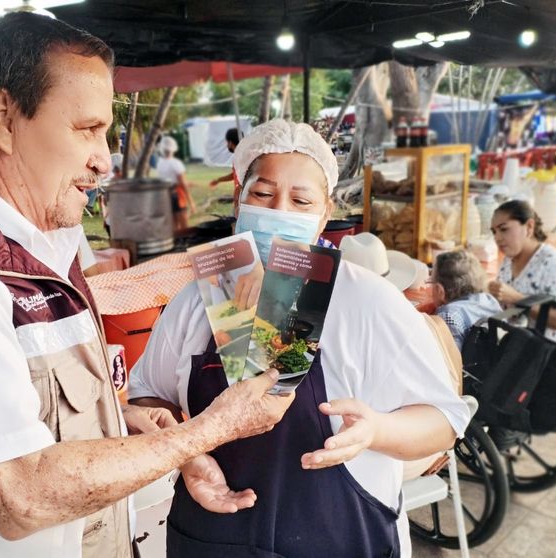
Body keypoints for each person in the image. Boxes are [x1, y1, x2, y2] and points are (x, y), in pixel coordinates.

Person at [0, 13, 295, 557]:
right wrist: (206, 432)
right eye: (87, 130)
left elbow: (22, 414)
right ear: (4, 117)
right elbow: (19, 493)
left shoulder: (45, 243)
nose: (104, 160)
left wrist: (124, 420)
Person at [129, 119, 470, 557]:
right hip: (211, 538)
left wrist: (376, 430)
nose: (281, 212)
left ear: (325, 215)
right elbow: (146, 397)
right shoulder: (197, 298)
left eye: (301, 200)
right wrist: (184, 452)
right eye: (263, 195)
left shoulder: (369, 299)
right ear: (238, 200)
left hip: (338, 536)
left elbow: (444, 422)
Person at [488, 199, 556, 346]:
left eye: (504, 229)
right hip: (515, 346)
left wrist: (518, 299)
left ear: (529, 227)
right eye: (494, 232)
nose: (497, 238)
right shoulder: (508, 261)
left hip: (545, 356)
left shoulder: (555, 265)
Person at [431, 250, 502, 350]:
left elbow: (449, 361)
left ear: (439, 290)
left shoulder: (448, 316)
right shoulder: (489, 299)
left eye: (431, 282)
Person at [156, 135, 195, 231]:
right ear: (173, 148)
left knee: (174, 228)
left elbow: (168, 180)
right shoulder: (176, 163)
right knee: (184, 227)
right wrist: (191, 202)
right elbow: (182, 184)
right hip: (177, 196)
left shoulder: (160, 163)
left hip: (166, 196)